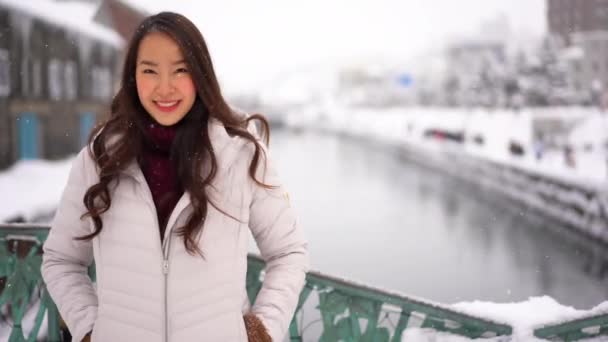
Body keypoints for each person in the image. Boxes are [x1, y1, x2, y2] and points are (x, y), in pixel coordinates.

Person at [41, 12, 309, 342]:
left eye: (181, 70)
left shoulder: (240, 155)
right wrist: (90, 330)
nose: (165, 87)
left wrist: (262, 329)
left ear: (200, 74)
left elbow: (288, 253)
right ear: (132, 77)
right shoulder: (100, 159)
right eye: (150, 71)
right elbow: (60, 259)